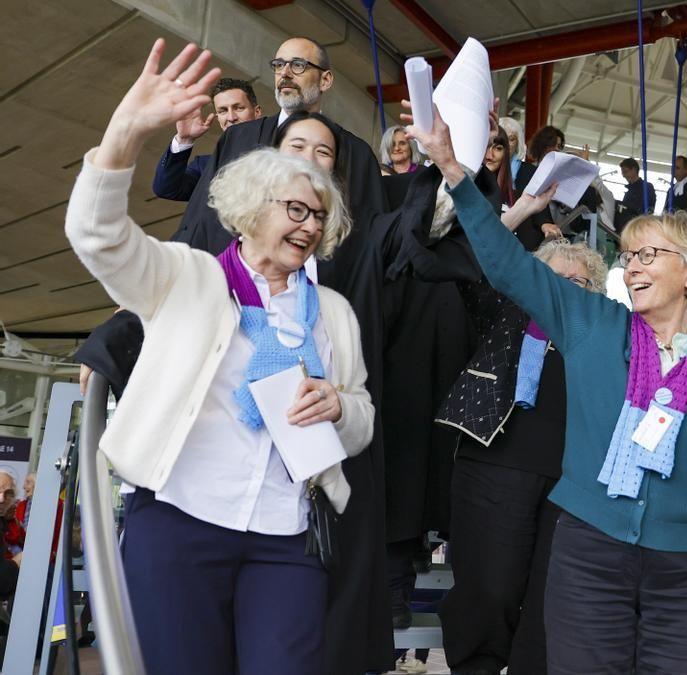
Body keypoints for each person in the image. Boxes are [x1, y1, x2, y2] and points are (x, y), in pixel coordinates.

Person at [406, 103, 687, 673]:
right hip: (589, 553)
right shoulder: (592, 323)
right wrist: (453, 170)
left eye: (648, 256)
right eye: (629, 256)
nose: (631, 268)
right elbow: (508, 265)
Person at [64, 41, 374, 674]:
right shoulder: (189, 277)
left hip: (286, 537)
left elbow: (363, 418)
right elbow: (98, 238)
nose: (311, 226)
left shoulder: (335, 314)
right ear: (252, 210)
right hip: (179, 523)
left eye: (320, 216)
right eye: (296, 210)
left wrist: (340, 406)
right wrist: (124, 134)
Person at [437, 239, 609, 675]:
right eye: (553, 278)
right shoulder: (504, 314)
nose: (565, 288)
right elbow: (466, 265)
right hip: (494, 468)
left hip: (571, 482)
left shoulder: (602, 338)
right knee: (489, 588)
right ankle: (476, 666)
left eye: (578, 281)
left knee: (552, 598)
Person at [152, 77, 262, 201]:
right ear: (218, 118)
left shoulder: (282, 148)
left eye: (238, 108)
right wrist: (185, 139)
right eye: (223, 111)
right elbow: (166, 189)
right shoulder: (204, 166)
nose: (231, 117)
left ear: (257, 112)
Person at [515, 125, 564, 195]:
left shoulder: (561, 174)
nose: (556, 149)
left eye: (559, 146)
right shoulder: (525, 170)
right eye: (553, 144)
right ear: (542, 144)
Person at [614, 157, 656, 232]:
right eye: (623, 173)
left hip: (637, 227)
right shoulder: (630, 191)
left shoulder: (647, 187)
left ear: (634, 170)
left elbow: (647, 209)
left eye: (625, 172)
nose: (623, 175)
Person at [483, 132, 516, 207]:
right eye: (485, 147)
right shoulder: (464, 189)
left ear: (505, 154)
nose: (489, 156)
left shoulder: (515, 197)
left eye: (498, 148)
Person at [498, 116, 525, 181]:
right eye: (502, 138)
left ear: (518, 142)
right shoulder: (484, 167)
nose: (506, 143)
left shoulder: (531, 172)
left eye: (511, 139)